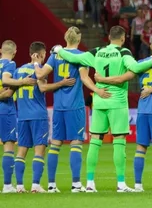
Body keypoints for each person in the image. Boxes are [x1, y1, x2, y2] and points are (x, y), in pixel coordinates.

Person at [55, 26, 152, 192]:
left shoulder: (97, 51)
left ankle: (90, 183)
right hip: (117, 102)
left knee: (95, 141)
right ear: (123, 38)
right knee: (119, 141)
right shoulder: (123, 52)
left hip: (99, 101)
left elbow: (74, 58)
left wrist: (58, 50)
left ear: (108, 37)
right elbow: (136, 68)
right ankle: (121, 183)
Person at [95, 35, 152, 192]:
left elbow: (122, 78)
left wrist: (102, 79)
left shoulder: (140, 64)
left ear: (150, 47)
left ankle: (138, 185)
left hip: (142, 110)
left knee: (141, 148)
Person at [35, 27, 107, 192]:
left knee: (55, 144)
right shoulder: (81, 56)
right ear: (79, 39)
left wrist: (36, 63)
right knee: (76, 143)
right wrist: (97, 90)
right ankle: (76, 184)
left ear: (65, 38)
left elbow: (40, 75)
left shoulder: (55, 56)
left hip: (59, 106)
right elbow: (84, 78)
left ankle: (51, 185)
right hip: (75, 106)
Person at [13, 42, 76, 193]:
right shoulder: (40, 70)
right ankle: (35, 185)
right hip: (38, 115)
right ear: (41, 55)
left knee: (21, 151)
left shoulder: (17, 71)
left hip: (22, 116)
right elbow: (43, 88)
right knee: (39, 151)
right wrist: (62, 83)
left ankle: (19, 186)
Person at [1, 40, 37, 193]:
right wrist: (22, 81)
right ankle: (8, 185)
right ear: (15, 52)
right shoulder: (10, 64)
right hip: (5, 110)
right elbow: (7, 87)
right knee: (8, 147)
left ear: (1, 50)